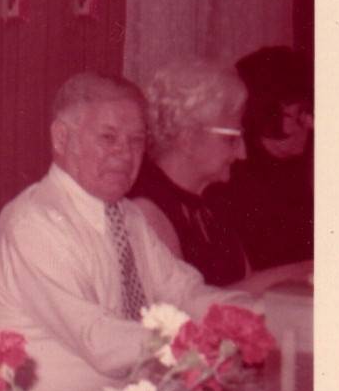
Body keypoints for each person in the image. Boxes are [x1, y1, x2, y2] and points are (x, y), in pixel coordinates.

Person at [0, 72, 252, 391]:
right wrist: (199, 340)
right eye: (108, 138)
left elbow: (183, 292)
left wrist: (259, 316)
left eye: (136, 141)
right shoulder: (33, 223)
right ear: (62, 138)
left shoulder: (127, 216)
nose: (125, 154)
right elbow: (100, 340)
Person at [129, 58, 311, 294]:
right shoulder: (146, 210)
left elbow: (247, 281)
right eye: (231, 139)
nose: (243, 154)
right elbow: (181, 307)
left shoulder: (211, 200)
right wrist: (302, 269)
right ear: (187, 138)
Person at [204, 46, 314, 272]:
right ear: (265, 114)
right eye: (300, 114)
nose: (310, 123)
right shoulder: (232, 176)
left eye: (310, 111)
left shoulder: (298, 161)